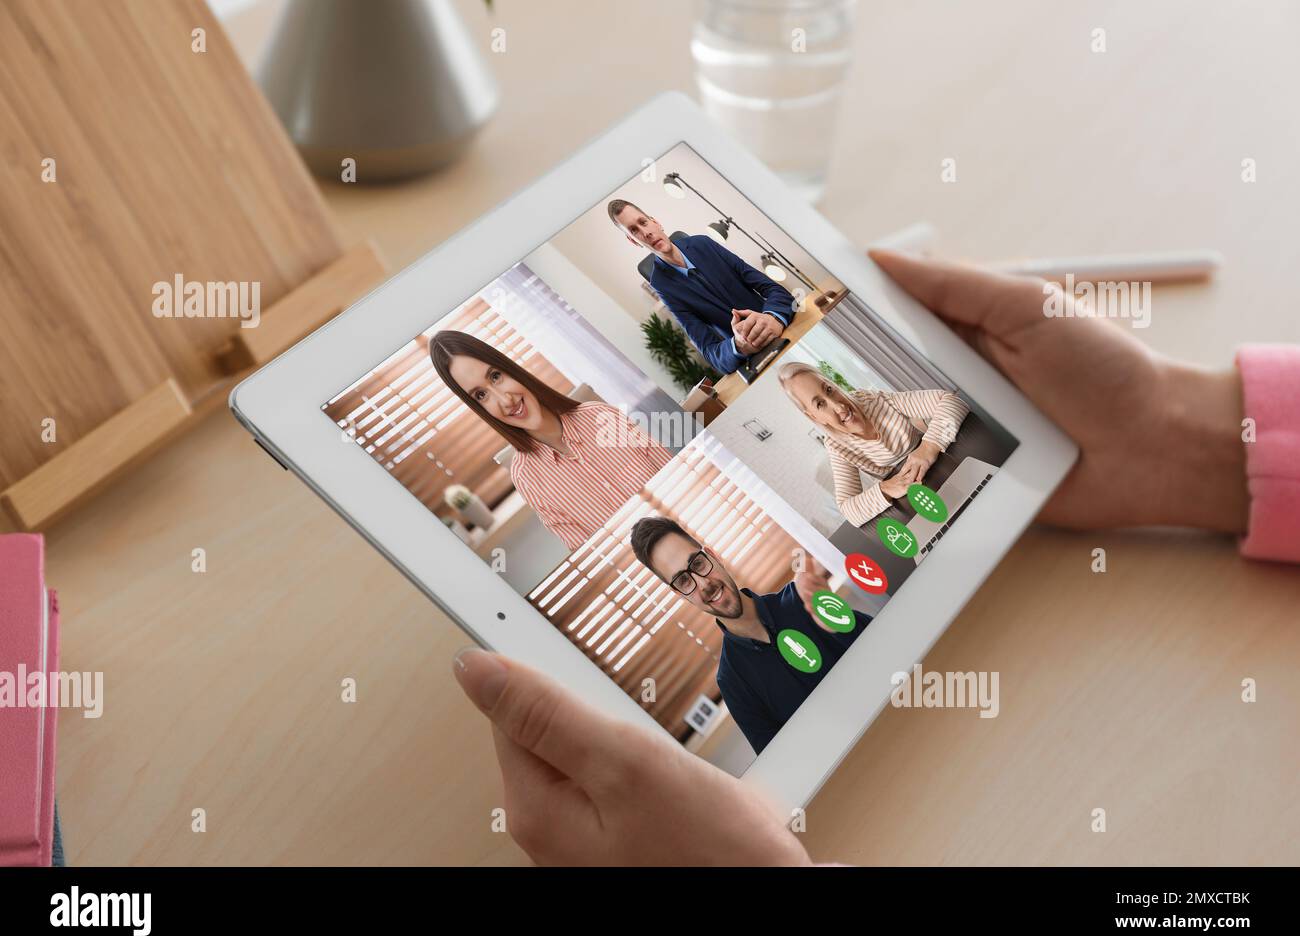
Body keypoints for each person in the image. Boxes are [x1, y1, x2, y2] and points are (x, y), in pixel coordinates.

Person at [452, 249, 1298, 866]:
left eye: (697, 560)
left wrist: (1159, 433)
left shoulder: (641, 437)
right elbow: (786, 795)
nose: (703, 578)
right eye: (478, 397)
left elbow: (895, 554)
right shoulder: (733, 678)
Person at [628, 516, 868, 755]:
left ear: (713, 555)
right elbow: (782, 766)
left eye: (698, 564)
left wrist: (831, 616)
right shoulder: (731, 682)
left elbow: (883, 647)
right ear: (680, 594)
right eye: (683, 580)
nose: (704, 585)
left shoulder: (801, 599)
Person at [430, 330, 672, 551]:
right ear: (479, 408)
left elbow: (674, 473)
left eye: (495, 376)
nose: (505, 401)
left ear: (511, 369)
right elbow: (593, 555)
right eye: (481, 395)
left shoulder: (600, 416)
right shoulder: (527, 479)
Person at [608, 199, 795, 375]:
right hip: (756, 358)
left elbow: (774, 289)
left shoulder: (703, 243)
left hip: (784, 331)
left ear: (656, 222)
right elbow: (710, 352)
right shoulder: (661, 284)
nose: (645, 232)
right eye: (634, 230)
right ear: (633, 241)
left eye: (643, 222)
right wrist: (739, 345)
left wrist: (773, 318)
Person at [777, 362, 970, 526]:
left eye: (829, 389)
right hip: (916, 495)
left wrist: (928, 447)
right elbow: (850, 512)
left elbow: (951, 401)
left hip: (946, 459)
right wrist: (887, 488)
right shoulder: (837, 446)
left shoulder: (873, 400)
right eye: (820, 404)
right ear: (813, 416)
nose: (839, 406)